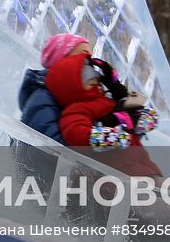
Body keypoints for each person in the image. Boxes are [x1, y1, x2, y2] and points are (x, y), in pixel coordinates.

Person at [43, 37, 161, 177]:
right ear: (71, 83)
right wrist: (114, 135)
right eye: (84, 70)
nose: (94, 74)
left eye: (92, 67)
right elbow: (78, 136)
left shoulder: (108, 100)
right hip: (118, 173)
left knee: (166, 189)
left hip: (143, 165)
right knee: (153, 191)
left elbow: (149, 119)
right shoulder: (75, 110)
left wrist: (136, 117)